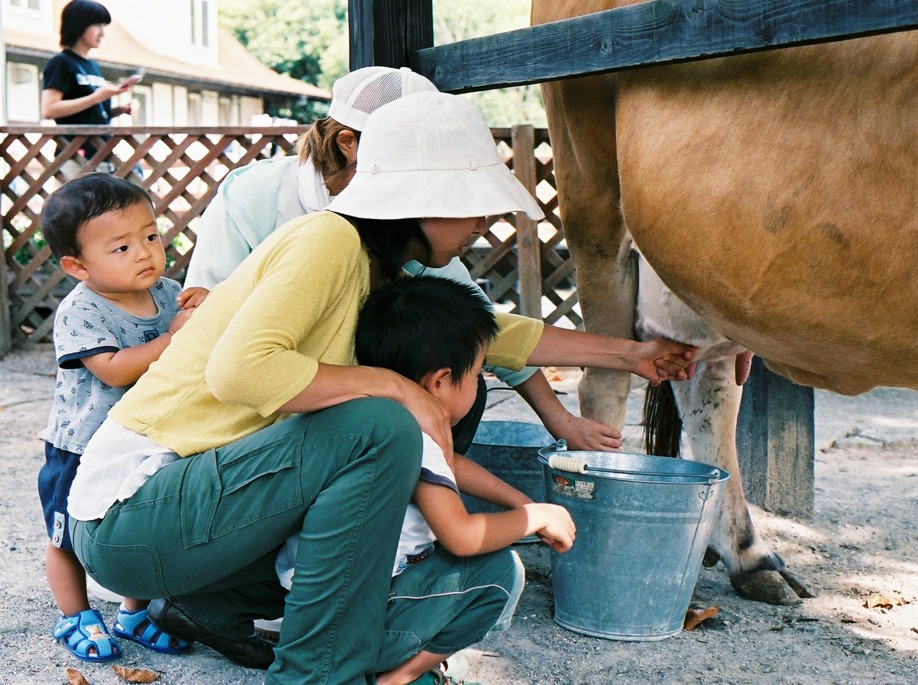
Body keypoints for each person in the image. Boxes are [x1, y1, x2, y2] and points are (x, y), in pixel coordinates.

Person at [65, 91, 693, 683]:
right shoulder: (328, 238)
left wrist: (634, 354)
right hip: (132, 509)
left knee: (467, 560)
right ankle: (317, 673)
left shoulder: (380, 267)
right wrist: (398, 390)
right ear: (424, 198)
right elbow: (240, 370)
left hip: (201, 519)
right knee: (379, 425)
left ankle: (278, 628)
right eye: (470, 200)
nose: (481, 219)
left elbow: (492, 335)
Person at [184, 65, 622, 453]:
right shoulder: (268, 204)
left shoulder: (410, 233)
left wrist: (560, 416)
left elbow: (481, 330)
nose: (478, 225)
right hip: (235, 411)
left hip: (339, 395)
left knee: (456, 385)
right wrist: (396, 389)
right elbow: (205, 323)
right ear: (349, 144)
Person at [276, 275, 577, 685]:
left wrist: (519, 501)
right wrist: (535, 517)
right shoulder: (413, 435)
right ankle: (401, 675)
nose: (477, 386)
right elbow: (463, 536)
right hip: (363, 624)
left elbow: (450, 463)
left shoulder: (361, 413)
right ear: (439, 381)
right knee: (500, 572)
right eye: (475, 376)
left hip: (305, 614)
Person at [38, 173, 194, 662]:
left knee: (139, 527)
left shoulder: (169, 294)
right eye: (121, 248)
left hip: (143, 439)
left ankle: (133, 613)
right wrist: (174, 338)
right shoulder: (80, 311)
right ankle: (76, 615)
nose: (145, 252)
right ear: (77, 266)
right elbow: (113, 369)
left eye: (151, 236)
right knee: (66, 535)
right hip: (81, 445)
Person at [41, 0, 137, 165]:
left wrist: (120, 110)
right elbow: (49, 109)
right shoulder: (61, 62)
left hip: (102, 151)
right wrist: (96, 97)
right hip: (74, 153)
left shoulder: (93, 65)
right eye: (97, 25)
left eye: (104, 26)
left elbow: (90, 114)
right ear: (78, 25)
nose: (102, 33)